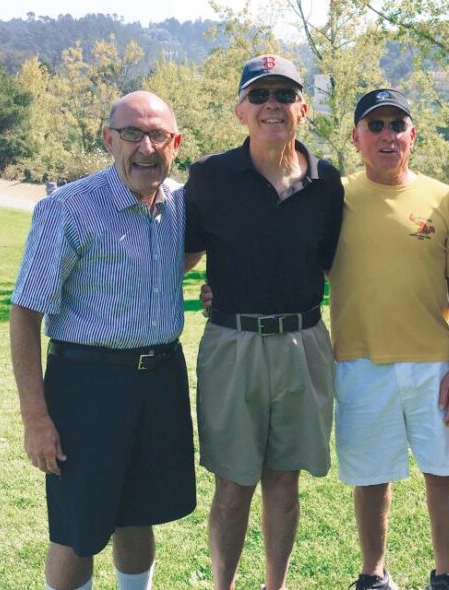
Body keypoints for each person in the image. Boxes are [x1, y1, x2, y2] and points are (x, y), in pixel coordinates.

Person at [9, 90, 195, 590]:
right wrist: (36, 418)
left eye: (158, 134)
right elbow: (24, 314)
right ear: (109, 138)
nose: (146, 147)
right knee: (78, 529)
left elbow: (184, 260)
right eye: (132, 132)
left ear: (175, 143)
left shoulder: (180, 205)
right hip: (86, 386)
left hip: (160, 380)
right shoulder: (68, 209)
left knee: (139, 513)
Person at [183, 55, 344, 590]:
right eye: (260, 95)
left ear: (302, 108)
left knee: (284, 481)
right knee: (233, 486)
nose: (272, 104)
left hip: (304, 342)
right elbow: (177, 257)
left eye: (283, 94)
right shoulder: (208, 177)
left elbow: (335, 267)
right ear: (240, 111)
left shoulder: (328, 183)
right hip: (233, 345)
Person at [330, 89, 449, 590]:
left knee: (444, 472)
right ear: (356, 138)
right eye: (375, 126)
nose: (387, 135)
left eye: (397, 124)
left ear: (413, 135)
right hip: (358, 359)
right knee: (371, 477)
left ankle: (446, 573)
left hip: (434, 364)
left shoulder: (446, 200)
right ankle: (373, 574)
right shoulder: (335, 197)